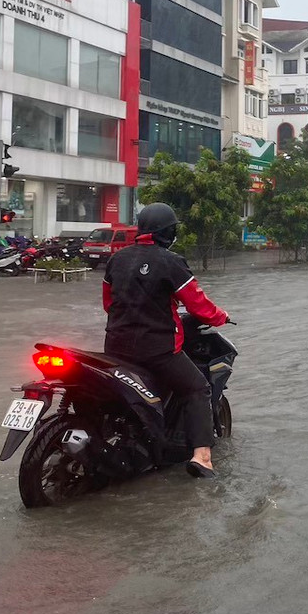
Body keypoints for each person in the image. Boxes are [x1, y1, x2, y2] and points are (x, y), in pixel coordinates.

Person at [102, 203, 229, 479]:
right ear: (168, 232)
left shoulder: (116, 260)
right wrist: (221, 317)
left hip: (114, 348)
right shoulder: (171, 261)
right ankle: (203, 456)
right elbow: (198, 305)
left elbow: (109, 304)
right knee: (198, 388)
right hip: (157, 350)